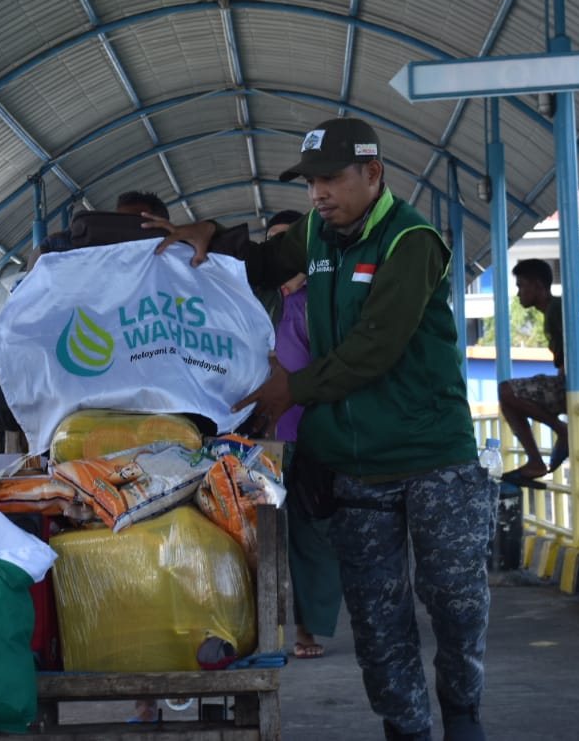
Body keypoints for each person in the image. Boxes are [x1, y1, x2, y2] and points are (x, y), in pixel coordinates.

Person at [145, 117, 494, 741]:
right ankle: (407, 730)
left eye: (331, 179)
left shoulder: (410, 240)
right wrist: (211, 237)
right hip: (354, 468)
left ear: (373, 174)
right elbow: (257, 260)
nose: (319, 194)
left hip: (432, 458)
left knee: (454, 599)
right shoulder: (317, 234)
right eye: (311, 183)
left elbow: (374, 346)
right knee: (377, 619)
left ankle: (463, 715)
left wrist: (292, 390)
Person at [268, 214, 342, 660]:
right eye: (273, 245)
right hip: (259, 440)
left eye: (288, 244)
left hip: (310, 435)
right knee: (257, 538)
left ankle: (306, 627)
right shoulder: (257, 302)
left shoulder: (321, 304)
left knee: (311, 534)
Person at [498, 258, 579, 485]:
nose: (518, 294)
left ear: (537, 285)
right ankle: (536, 460)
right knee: (507, 398)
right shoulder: (551, 311)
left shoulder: (557, 308)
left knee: (506, 390)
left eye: (521, 286)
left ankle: (559, 432)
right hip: (576, 383)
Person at [255, 209, 306, 324]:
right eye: (270, 239)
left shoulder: (322, 284)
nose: (274, 245)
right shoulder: (257, 291)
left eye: (284, 238)